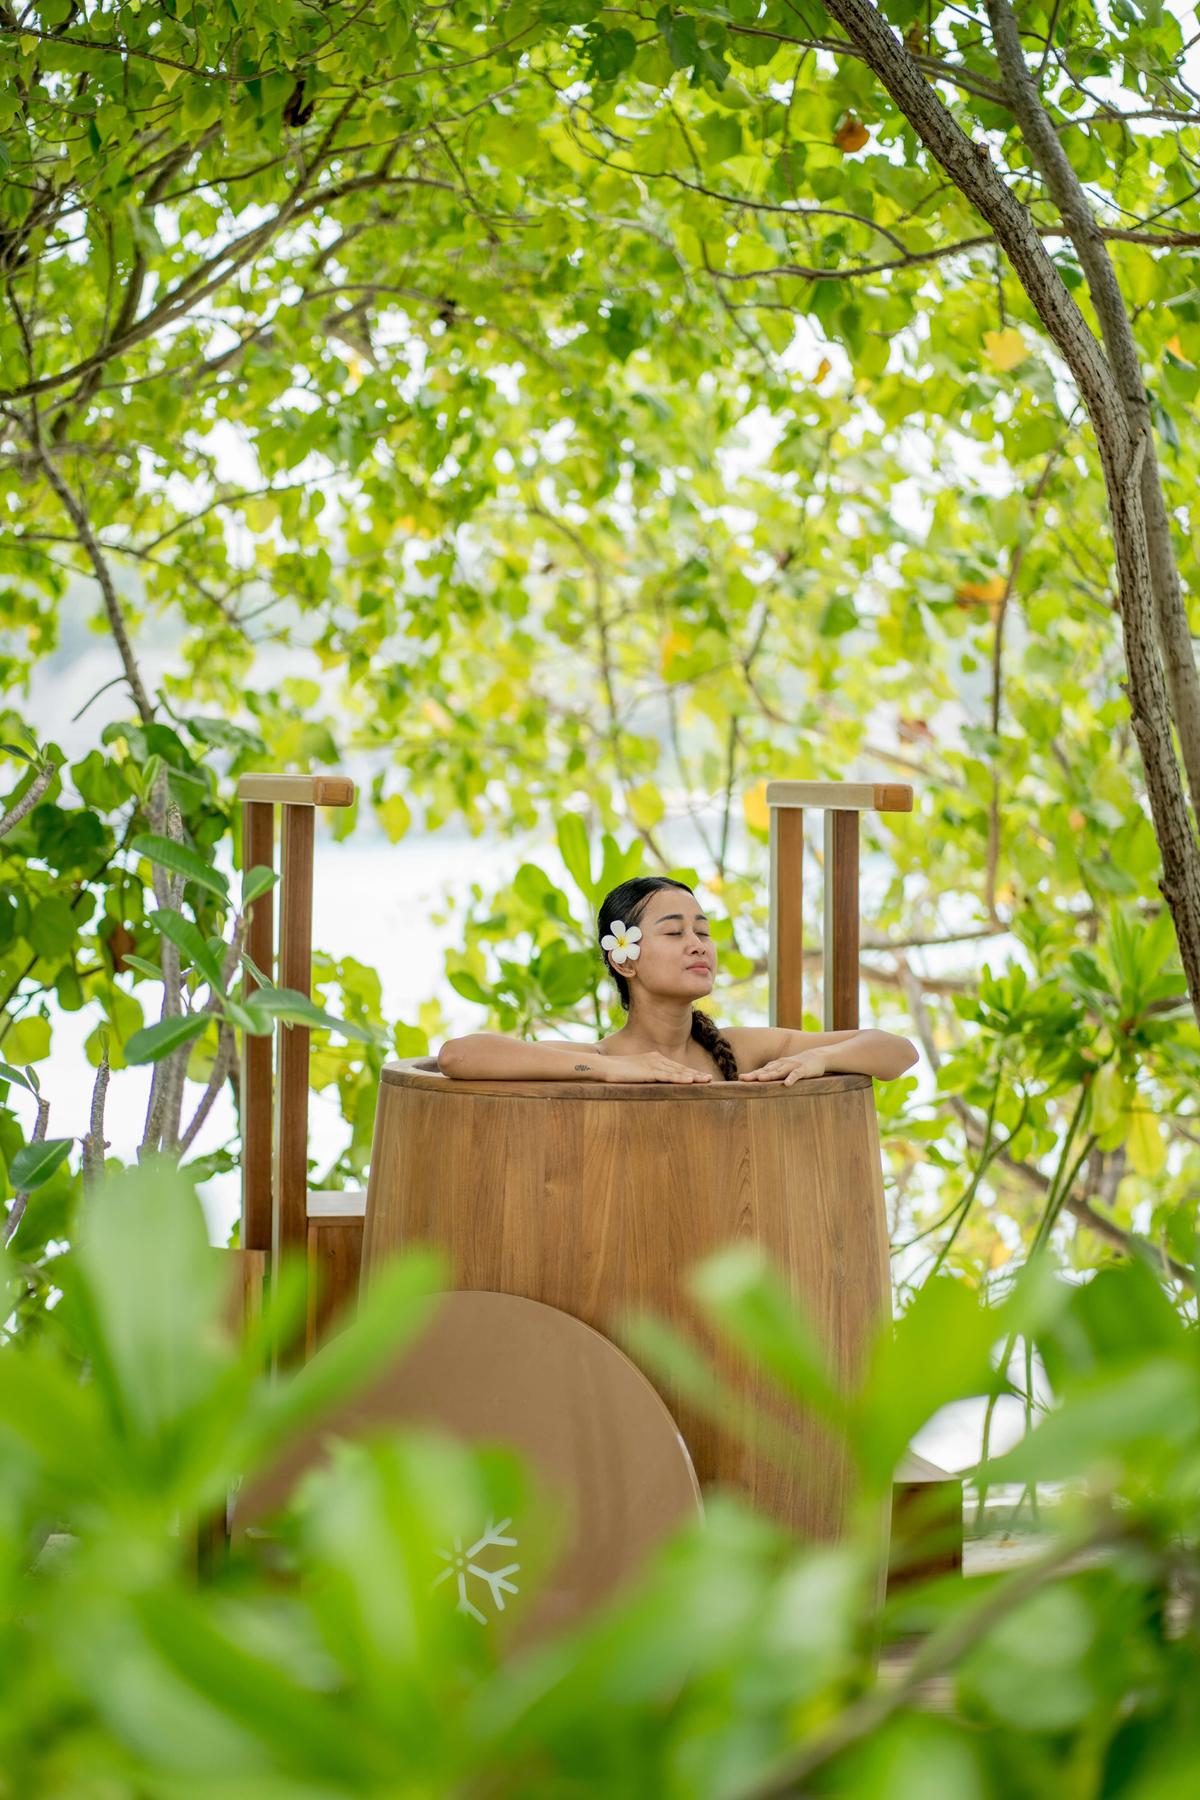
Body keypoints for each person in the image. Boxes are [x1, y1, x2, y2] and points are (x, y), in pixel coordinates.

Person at [437, 875, 919, 1085]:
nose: (697, 944)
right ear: (625, 961)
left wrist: (820, 1058)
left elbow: (897, 1051)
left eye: (702, 932)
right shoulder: (602, 1058)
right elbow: (458, 1056)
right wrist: (606, 1071)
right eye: (674, 932)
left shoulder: (742, 1050)